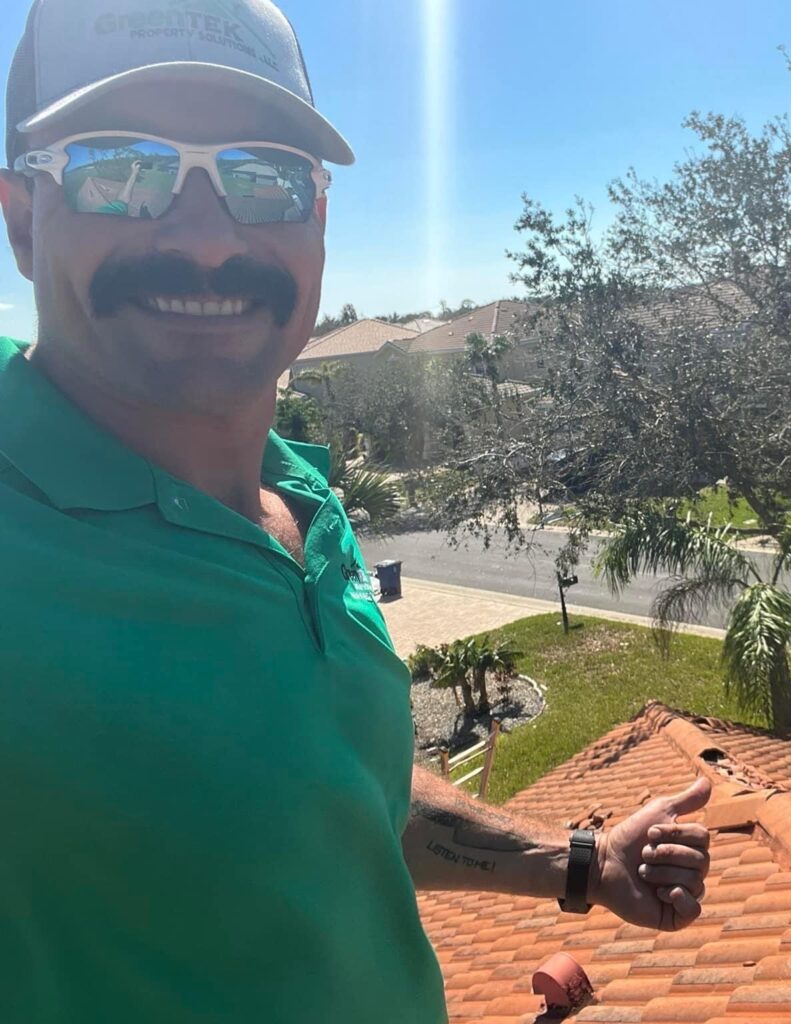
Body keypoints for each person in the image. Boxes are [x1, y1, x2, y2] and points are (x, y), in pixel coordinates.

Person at [0, 1, 712, 1020]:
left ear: (320, 222)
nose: (207, 238)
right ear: (25, 218)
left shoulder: (304, 500)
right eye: (120, 168)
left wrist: (577, 862)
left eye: (264, 176)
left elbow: (336, 783)